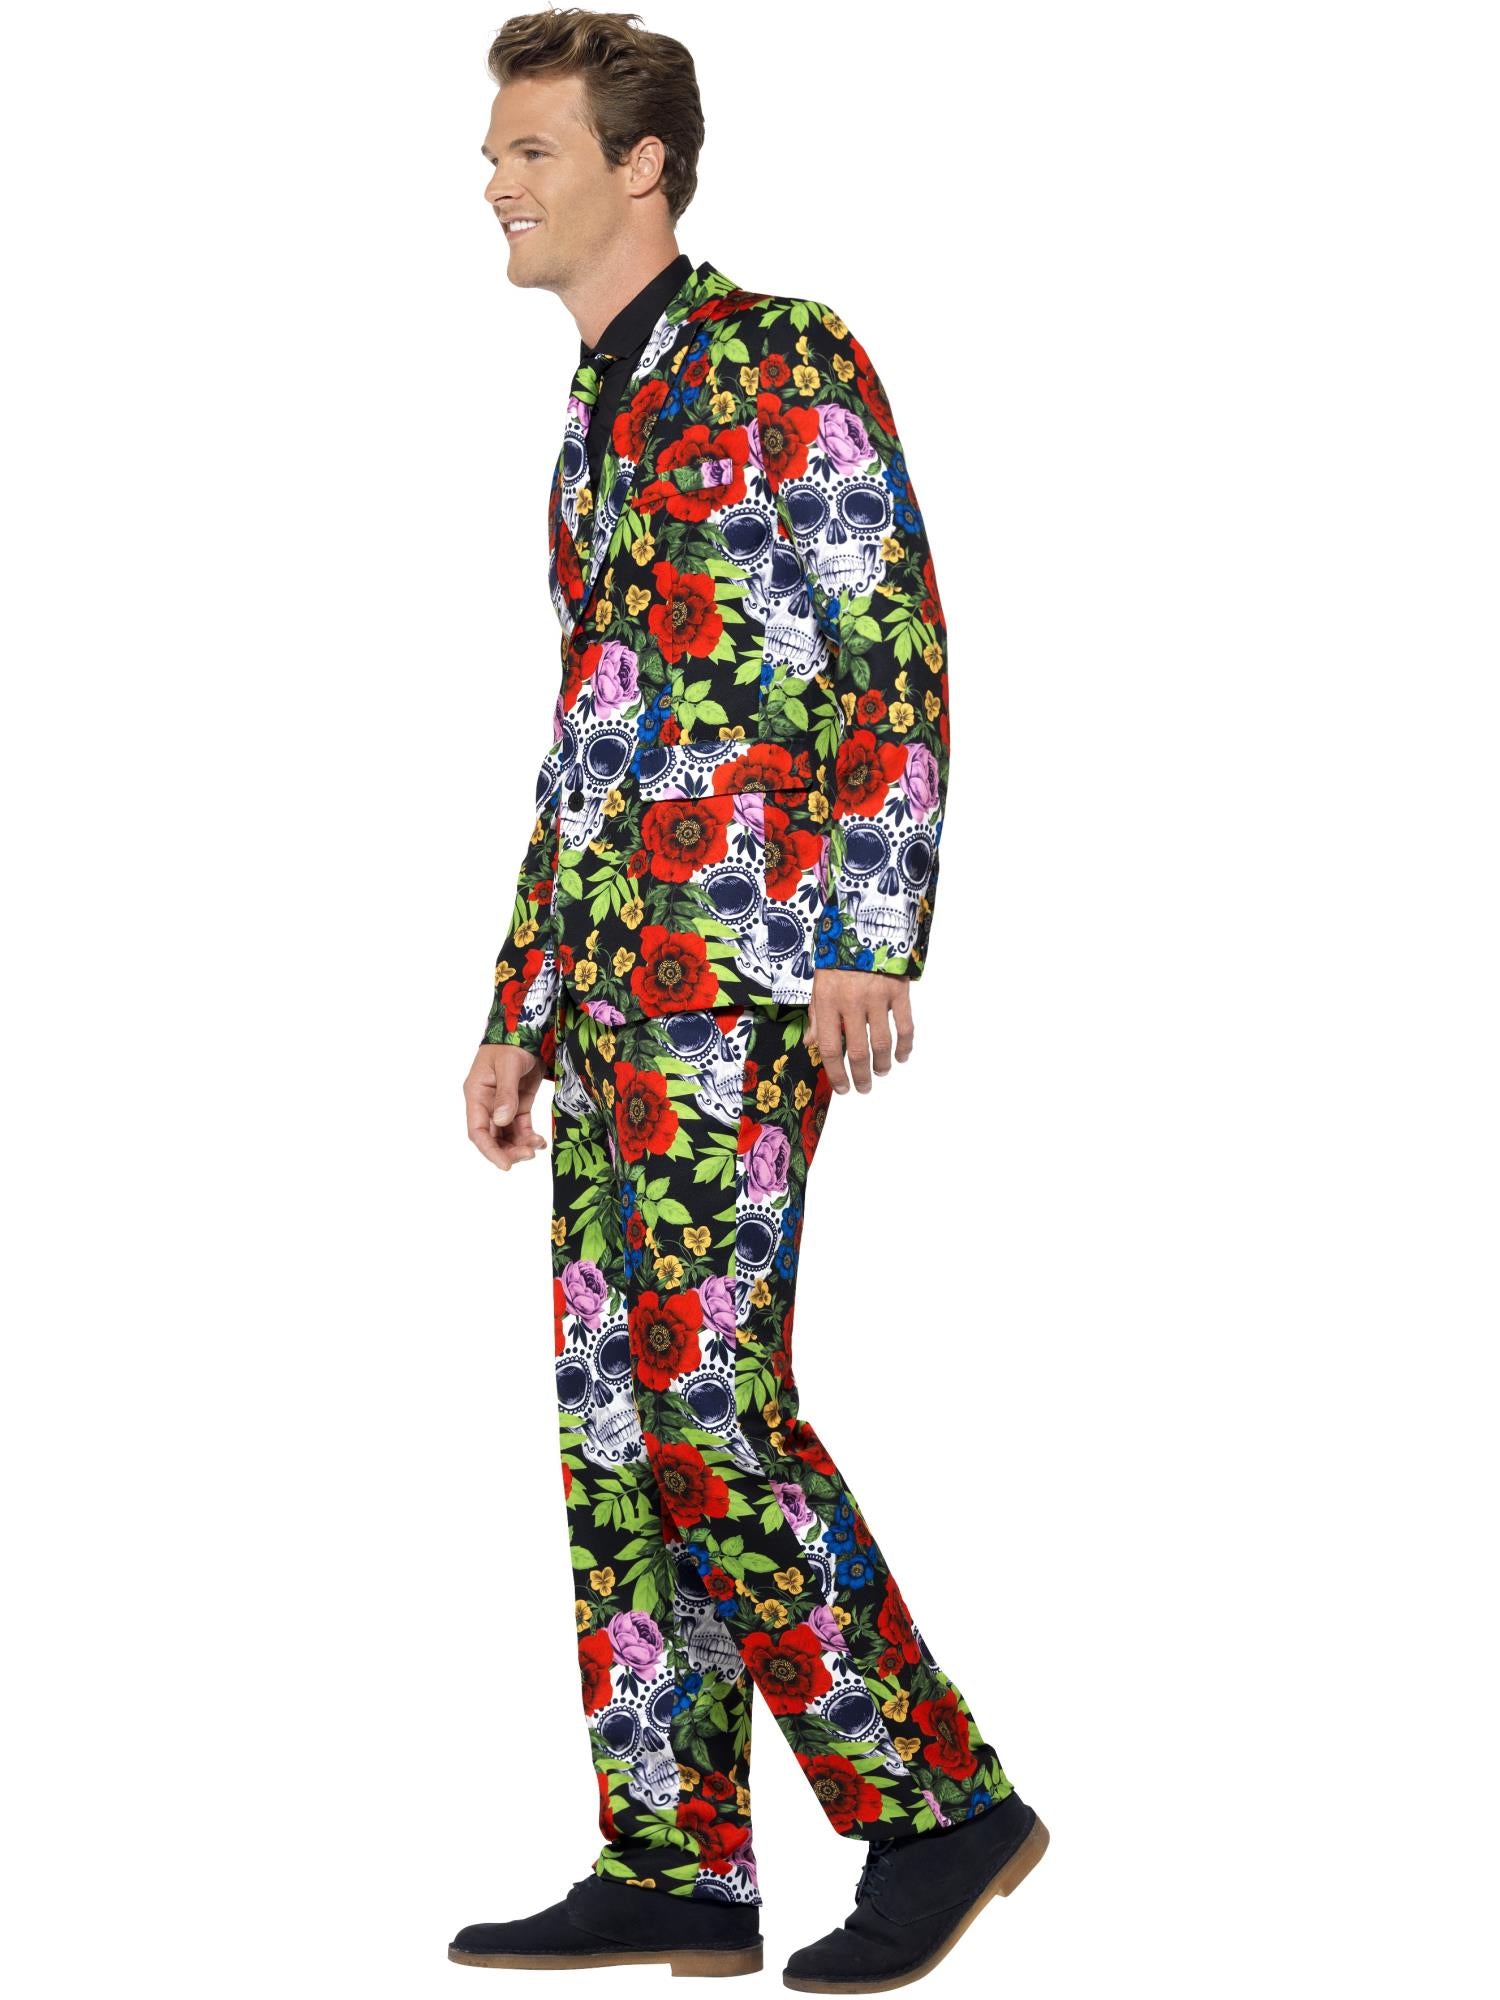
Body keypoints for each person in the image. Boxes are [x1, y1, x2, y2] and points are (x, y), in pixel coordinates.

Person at [452, 10, 1048, 1989]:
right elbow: (590, 733)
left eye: (531, 149)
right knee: (618, 1415)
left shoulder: (783, 355)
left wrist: (875, 926)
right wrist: (520, 998)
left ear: (642, 165)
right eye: (496, 152)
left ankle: (938, 1801)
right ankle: (677, 1857)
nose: (496, 183)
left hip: (748, 969)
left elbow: (891, 635)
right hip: (612, 988)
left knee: (710, 1396)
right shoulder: (594, 414)